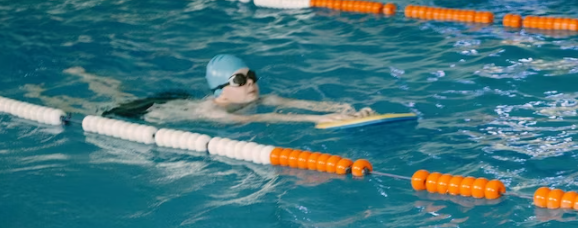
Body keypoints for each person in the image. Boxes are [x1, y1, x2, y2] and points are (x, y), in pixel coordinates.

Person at [96, 53, 375, 125]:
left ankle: (91, 77)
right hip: (152, 113)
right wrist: (315, 120)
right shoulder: (214, 111)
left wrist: (342, 110)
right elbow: (261, 118)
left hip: (179, 98)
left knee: (119, 92)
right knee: (109, 105)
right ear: (222, 90)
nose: (251, 83)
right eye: (239, 80)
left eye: (251, 76)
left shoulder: (259, 96)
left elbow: (294, 102)